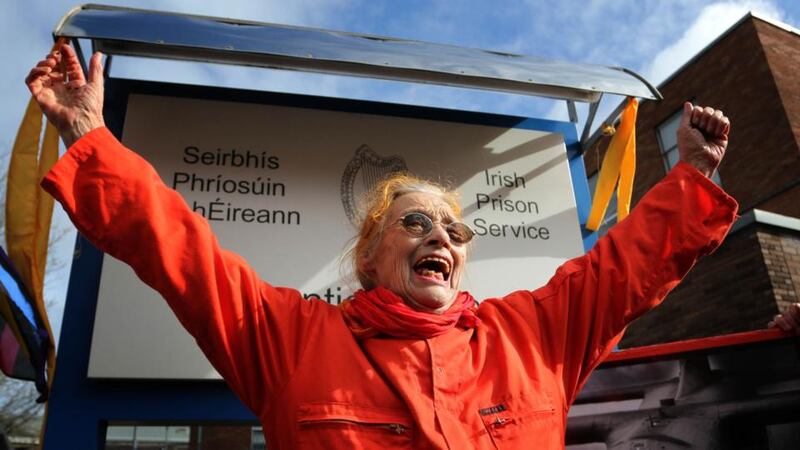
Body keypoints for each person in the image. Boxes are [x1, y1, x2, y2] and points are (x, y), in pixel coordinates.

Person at [25, 44, 797, 449]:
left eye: (454, 230)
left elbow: (625, 268)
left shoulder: (529, 338)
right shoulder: (293, 341)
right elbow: (179, 252)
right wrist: (91, 138)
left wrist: (692, 173)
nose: (441, 238)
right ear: (369, 258)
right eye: (416, 222)